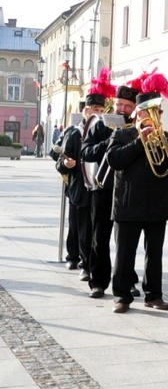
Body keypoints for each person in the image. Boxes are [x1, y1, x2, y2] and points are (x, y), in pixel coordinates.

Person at [106, 73, 168, 313]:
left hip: (156, 204)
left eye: (156, 112)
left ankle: (154, 294)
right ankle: (121, 296)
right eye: (146, 112)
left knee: (154, 254)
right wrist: (140, 141)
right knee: (124, 255)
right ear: (137, 114)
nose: (152, 117)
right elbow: (114, 160)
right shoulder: (121, 134)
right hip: (128, 204)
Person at [81, 74, 138, 299]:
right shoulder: (99, 124)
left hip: (128, 189)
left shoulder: (138, 125)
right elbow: (86, 152)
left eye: (127, 106)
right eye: (118, 104)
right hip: (102, 187)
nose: (122, 109)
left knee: (126, 240)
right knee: (99, 236)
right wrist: (110, 141)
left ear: (133, 108)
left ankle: (127, 280)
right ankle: (98, 281)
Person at [56, 102, 94, 283]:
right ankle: (76, 259)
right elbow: (59, 161)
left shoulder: (105, 133)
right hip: (79, 189)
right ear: (86, 111)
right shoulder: (74, 134)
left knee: (91, 230)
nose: (99, 114)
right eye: (95, 110)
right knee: (78, 227)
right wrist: (66, 164)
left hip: (98, 189)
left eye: (102, 110)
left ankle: (89, 262)